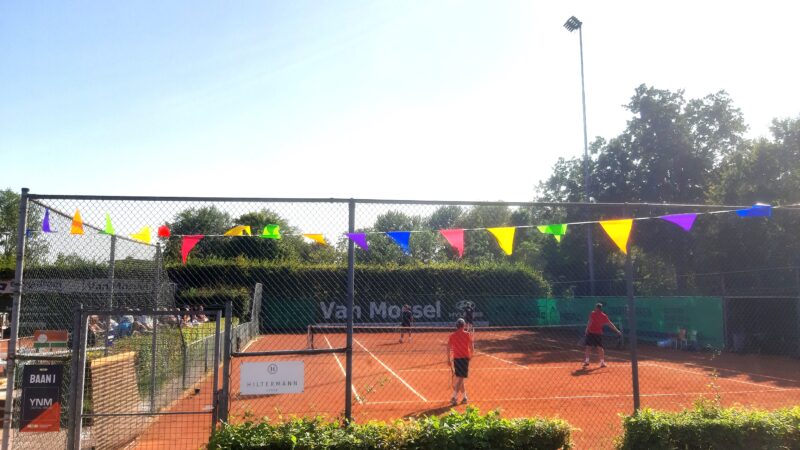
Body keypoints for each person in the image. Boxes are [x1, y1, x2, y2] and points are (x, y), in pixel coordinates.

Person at [582, 303, 622, 368]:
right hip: (594, 333)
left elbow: (590, 321)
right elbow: (609, 324)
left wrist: (587, 329)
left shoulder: (598, 314)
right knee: (594, 347)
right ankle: (593, 362)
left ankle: (598, 362)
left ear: (598, 308)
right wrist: (617, 330)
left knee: (592, 347)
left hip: (595, 333)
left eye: (596, 308)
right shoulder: (600, 315)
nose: (596, 309)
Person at [446, 318, 474, 405]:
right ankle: (454, 397)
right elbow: (472, 347)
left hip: (456, 359)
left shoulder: (452, 336)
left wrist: (448, 359)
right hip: (465, 358)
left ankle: (465, 397)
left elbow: (448, 347)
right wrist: (471, 356)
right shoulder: (467, 334)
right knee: (461, 378)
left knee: (460, 378)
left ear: (456, 326)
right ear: (464, 325)